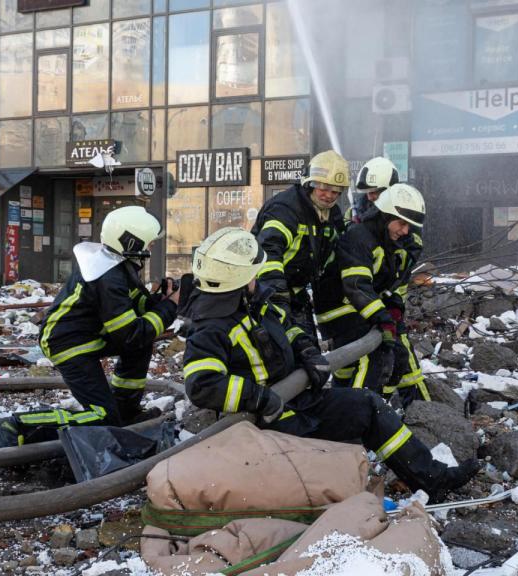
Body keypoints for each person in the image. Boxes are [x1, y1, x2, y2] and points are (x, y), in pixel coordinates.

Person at [181, 227, 478, 502]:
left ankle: (432, 479)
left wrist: (306, 350)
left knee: (368, 406)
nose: (257, 277)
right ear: (239, 277)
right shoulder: (210, 327)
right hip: (264, 425)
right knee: (331, 461)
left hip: (298, 401)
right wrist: (259, 398)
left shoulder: (253, 301)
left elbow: (287, 328)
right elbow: (202, 384)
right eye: (253, 272)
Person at [0, 206, 178, 447]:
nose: (151, 247)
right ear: (132, 242)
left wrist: (159, 301)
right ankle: (17, 426)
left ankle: (125, 413)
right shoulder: (108, 276)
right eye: (149, 242)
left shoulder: (116, 265)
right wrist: (170, 306)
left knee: (140, 346)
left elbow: (129, 310)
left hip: (87, 335)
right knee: (102, 417)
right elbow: (130, 334)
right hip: (67, 343)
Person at [321, 183, 430, 407]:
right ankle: (356, 415)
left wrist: (394, 305)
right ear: (386, 215)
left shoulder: (386, 240)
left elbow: (386, 284)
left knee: (394, 357)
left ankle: (372, 408)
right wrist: (382, 318)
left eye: (409, 226)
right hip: (340, 309)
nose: (405, 231)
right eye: (402, 224)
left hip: (358, 309)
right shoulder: (359, 237)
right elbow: (357, 286)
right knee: (375, 356)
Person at [251, 150, 350, 344]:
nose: (329, 196)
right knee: (279, 350)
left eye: (335, 191)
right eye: (324, 188)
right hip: (265, 290)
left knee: (307, 348)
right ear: (310, 183)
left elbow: (338, 251)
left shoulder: (332, 214)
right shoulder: (286, 209)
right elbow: (268, 250)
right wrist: (276, 295)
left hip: (297, 293)